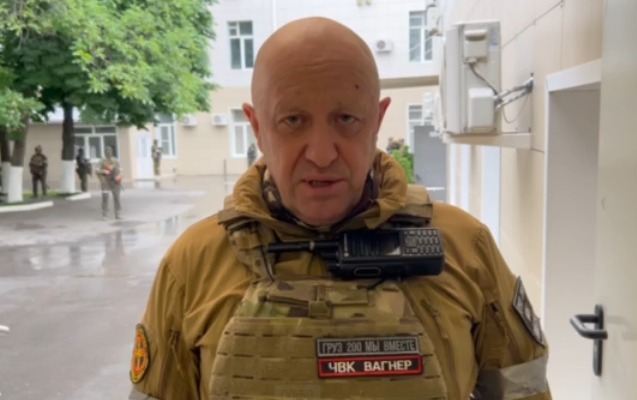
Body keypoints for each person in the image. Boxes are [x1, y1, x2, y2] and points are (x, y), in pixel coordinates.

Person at [128, 17, 551, 400]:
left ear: (377, 120)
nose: (322, 154)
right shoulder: (193, 264)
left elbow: (524, 390)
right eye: (293, 120)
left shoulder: (464, 248)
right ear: (257, 126)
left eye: (346, 118)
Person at [96, 146, 122, 219]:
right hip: (105, 181)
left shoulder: (115, 160)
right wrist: (104, 171)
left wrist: (118, 177)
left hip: (114, 182)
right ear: (104, 152)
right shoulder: (102, 161)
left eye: (109, 151)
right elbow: (97, 170)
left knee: (117, 197)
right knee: (105, 197)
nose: (108, 152)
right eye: (106, 151)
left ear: (112, 152)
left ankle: (118, 214)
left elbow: (119, 170)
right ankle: (104, 214)